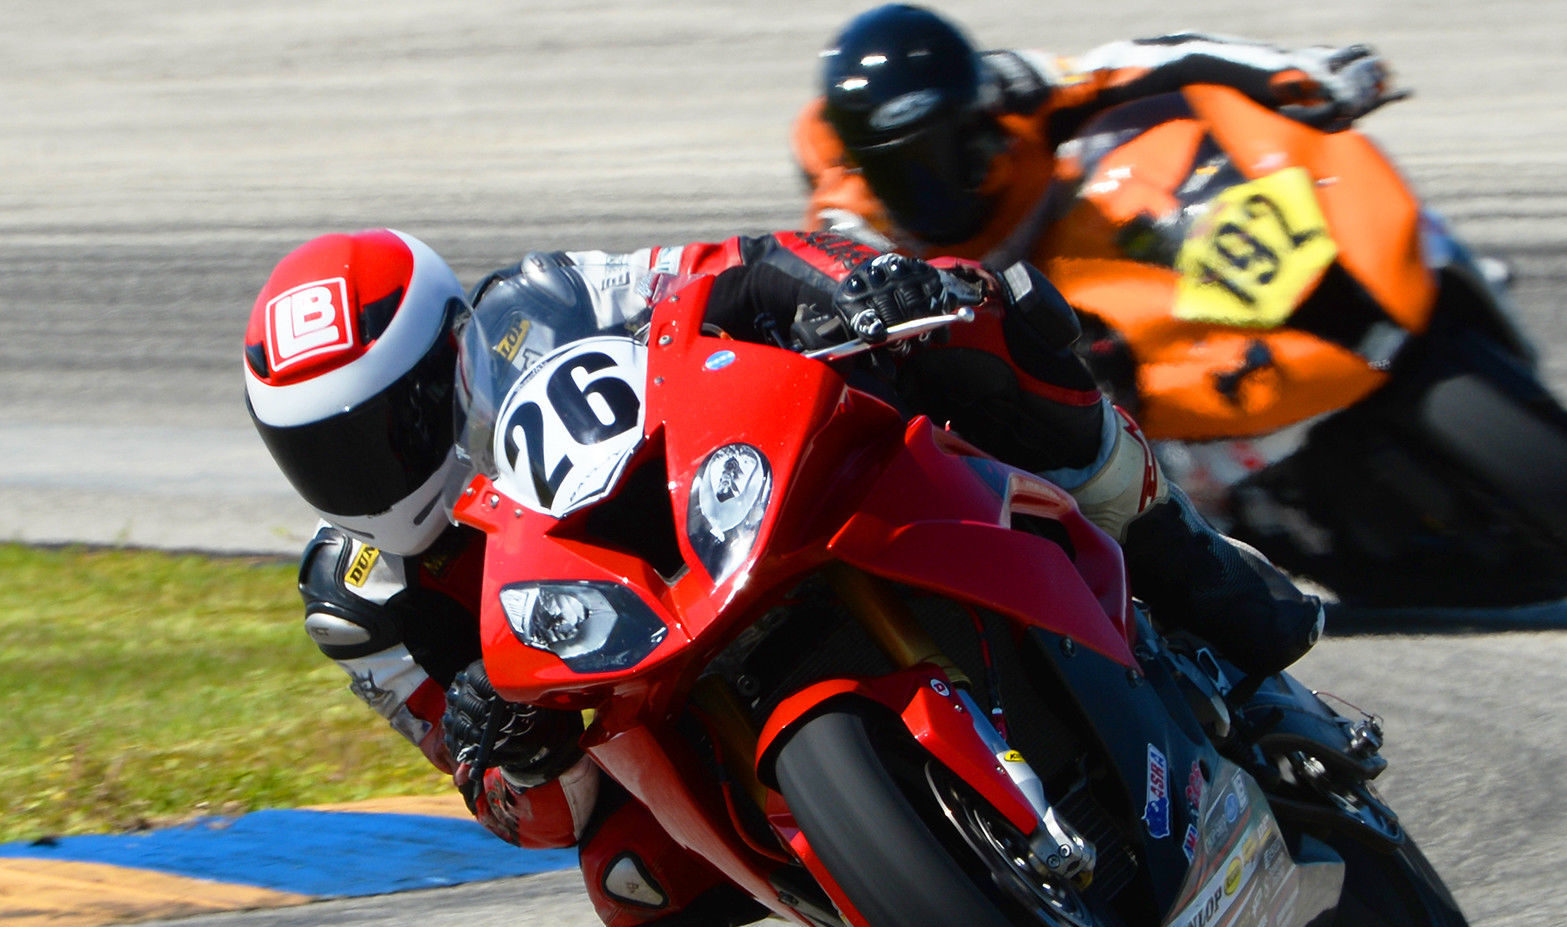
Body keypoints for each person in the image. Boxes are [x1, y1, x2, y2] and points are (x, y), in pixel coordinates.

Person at [244, 226, 1322, 925]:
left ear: (455, 353)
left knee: (982, 324)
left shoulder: (541, 303)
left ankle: (1199, 579)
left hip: (729, 508)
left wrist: (852, 288)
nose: (370, 469)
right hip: (633, 689)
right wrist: (503, 752)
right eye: (327, 453)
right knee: (630, 886)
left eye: (394, 423)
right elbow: (515, 811)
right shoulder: (363, 605)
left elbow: (727, 270)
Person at [792, 4, 1405, 443]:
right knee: (1067, 392)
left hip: (1065, 227)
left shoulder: (1011, 86)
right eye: (913, 166)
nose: (953, 171)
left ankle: (1329, 291)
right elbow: (848, 332)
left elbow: (1146, 60)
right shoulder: (849, 223)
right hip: (986, 303)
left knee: (1159, 150)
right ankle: (1182, 511)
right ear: (868, 169)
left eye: (962, 141)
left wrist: (1296, 70)